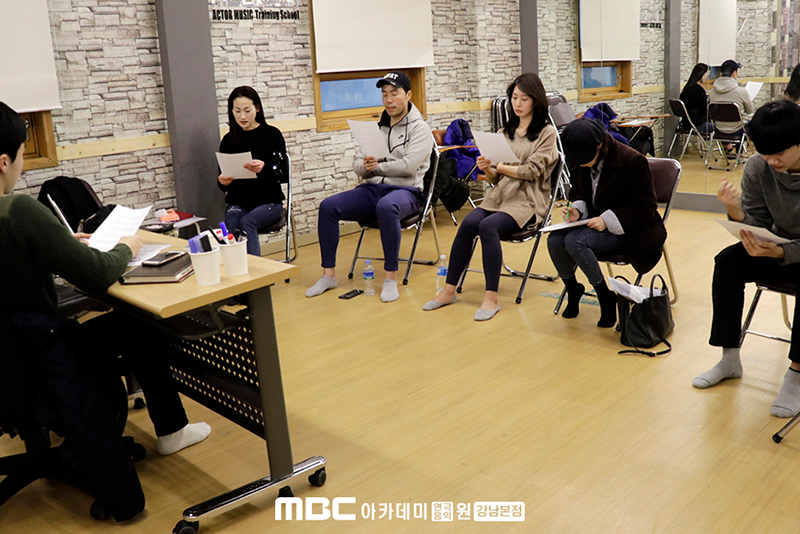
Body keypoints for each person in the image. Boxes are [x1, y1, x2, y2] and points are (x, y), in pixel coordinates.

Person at [0, 102, 210, 519]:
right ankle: (172, 429)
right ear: (3, 161)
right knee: (136, 324)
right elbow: (97, 274)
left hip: (10, 363)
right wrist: (126, 246)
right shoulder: (17, 211)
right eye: (22, 154)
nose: (22, 164)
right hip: (40, 358)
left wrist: (59, 246)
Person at [692, 100, 800, 418]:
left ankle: (796, 374)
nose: (772, 161)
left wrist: (784, 252)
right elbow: (760, 225)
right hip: (776, 247)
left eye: (779, 153)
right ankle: (729, 358)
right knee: (728, 262)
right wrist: (737, 213)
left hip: (791, 253)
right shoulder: (758, 167)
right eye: (765, 153)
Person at [422, 73, 558, 321]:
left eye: (524, 98)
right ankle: (449, 291)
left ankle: (491, 298)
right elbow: (496, 179)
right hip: (500, 197)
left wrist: (502, 166)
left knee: (487, 226)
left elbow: (530, 172)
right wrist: (488, 168)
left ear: (536, 101)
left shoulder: (546, 133)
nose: (517, 103)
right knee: (468, 224)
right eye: (514, 98)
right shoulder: (505, 131)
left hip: (527, 202)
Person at [305, 72, 433, 302]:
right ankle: (328, 275)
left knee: (387, 206)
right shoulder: (377, 127)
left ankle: (390, 278)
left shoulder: (420, 129)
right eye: (384, 94)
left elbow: (408, 167)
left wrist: (377, 168)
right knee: (328, 206)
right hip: (373, 189)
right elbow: (357, 164)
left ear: (408, 95)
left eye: (394, 93)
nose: (389, 100)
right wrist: (366, 167)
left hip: (407, 192)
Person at [547, 118, 666, 328]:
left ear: (600, 145)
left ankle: (605, 296)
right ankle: (573, 288)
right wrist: (577, 209)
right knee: (554, 240)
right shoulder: (579, 162)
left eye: (585, 158)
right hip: (594, 220)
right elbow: (577, 191)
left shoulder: (632, 161)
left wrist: (607, 220)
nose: (581, 164)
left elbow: (646, 207)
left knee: (575, 241)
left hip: (632, 229)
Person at [218, 86, 287, 256]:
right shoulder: (228, 140)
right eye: (237, 111)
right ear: (231, 111)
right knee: (232, 222)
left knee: (247, 222)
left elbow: (283, 174)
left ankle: (255, 270)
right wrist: (223, 181)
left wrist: (265, 168)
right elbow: (222, 183)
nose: (242, 116)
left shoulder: (272, 135)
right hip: (239, 202)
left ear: (257, 108)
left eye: (247, 110)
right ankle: (235, 267)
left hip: (269, 202)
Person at [709, 59, 754, 135]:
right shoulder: (741, 91)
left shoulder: (712, 92)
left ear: (721, 73)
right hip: (739, 129)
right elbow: (750, 111)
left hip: (719, 130)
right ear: (734, 73)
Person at [679, 63, 712, 132]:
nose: (706, 78)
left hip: (685, 124)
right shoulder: (699, 90)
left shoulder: (686, 88)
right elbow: (705, 109)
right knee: (720, 127)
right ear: (701, 75)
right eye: (706, 75)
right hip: (697, 124)